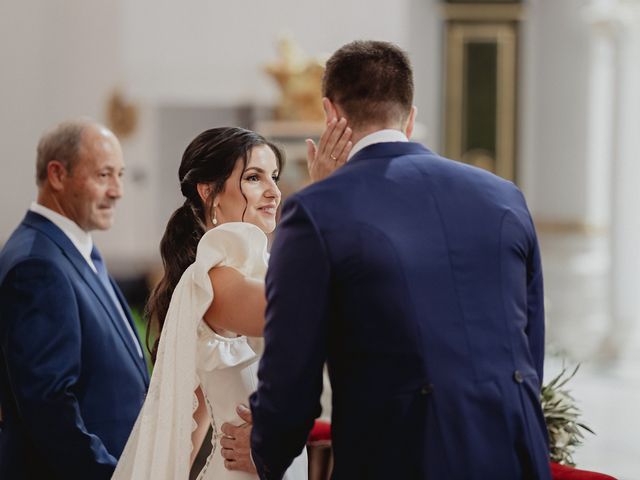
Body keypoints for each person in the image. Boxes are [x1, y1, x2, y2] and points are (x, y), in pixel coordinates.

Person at [248, 40, 552, 479]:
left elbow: (292, 374)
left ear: (330, 113)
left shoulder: (317, 211)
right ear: (410, 116)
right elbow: (530, 341)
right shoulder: (503, 196)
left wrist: (266, 455)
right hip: (515, 450)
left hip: (403, 456)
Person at [112, 126, 350, 480]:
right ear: (209, 192)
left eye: (274, 177)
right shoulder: (213, 281)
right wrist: (325, 199)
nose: (273, 192)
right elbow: (305, 309)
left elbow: (189, 425)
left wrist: (274, 430)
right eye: (254, 178)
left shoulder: (253, 273)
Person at [0, 119, 150, 479]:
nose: (117, 191)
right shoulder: (37, 264)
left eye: (120, 175)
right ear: (57, 174)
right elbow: (49, 406)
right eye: (103, 175)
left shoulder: (73, 247)